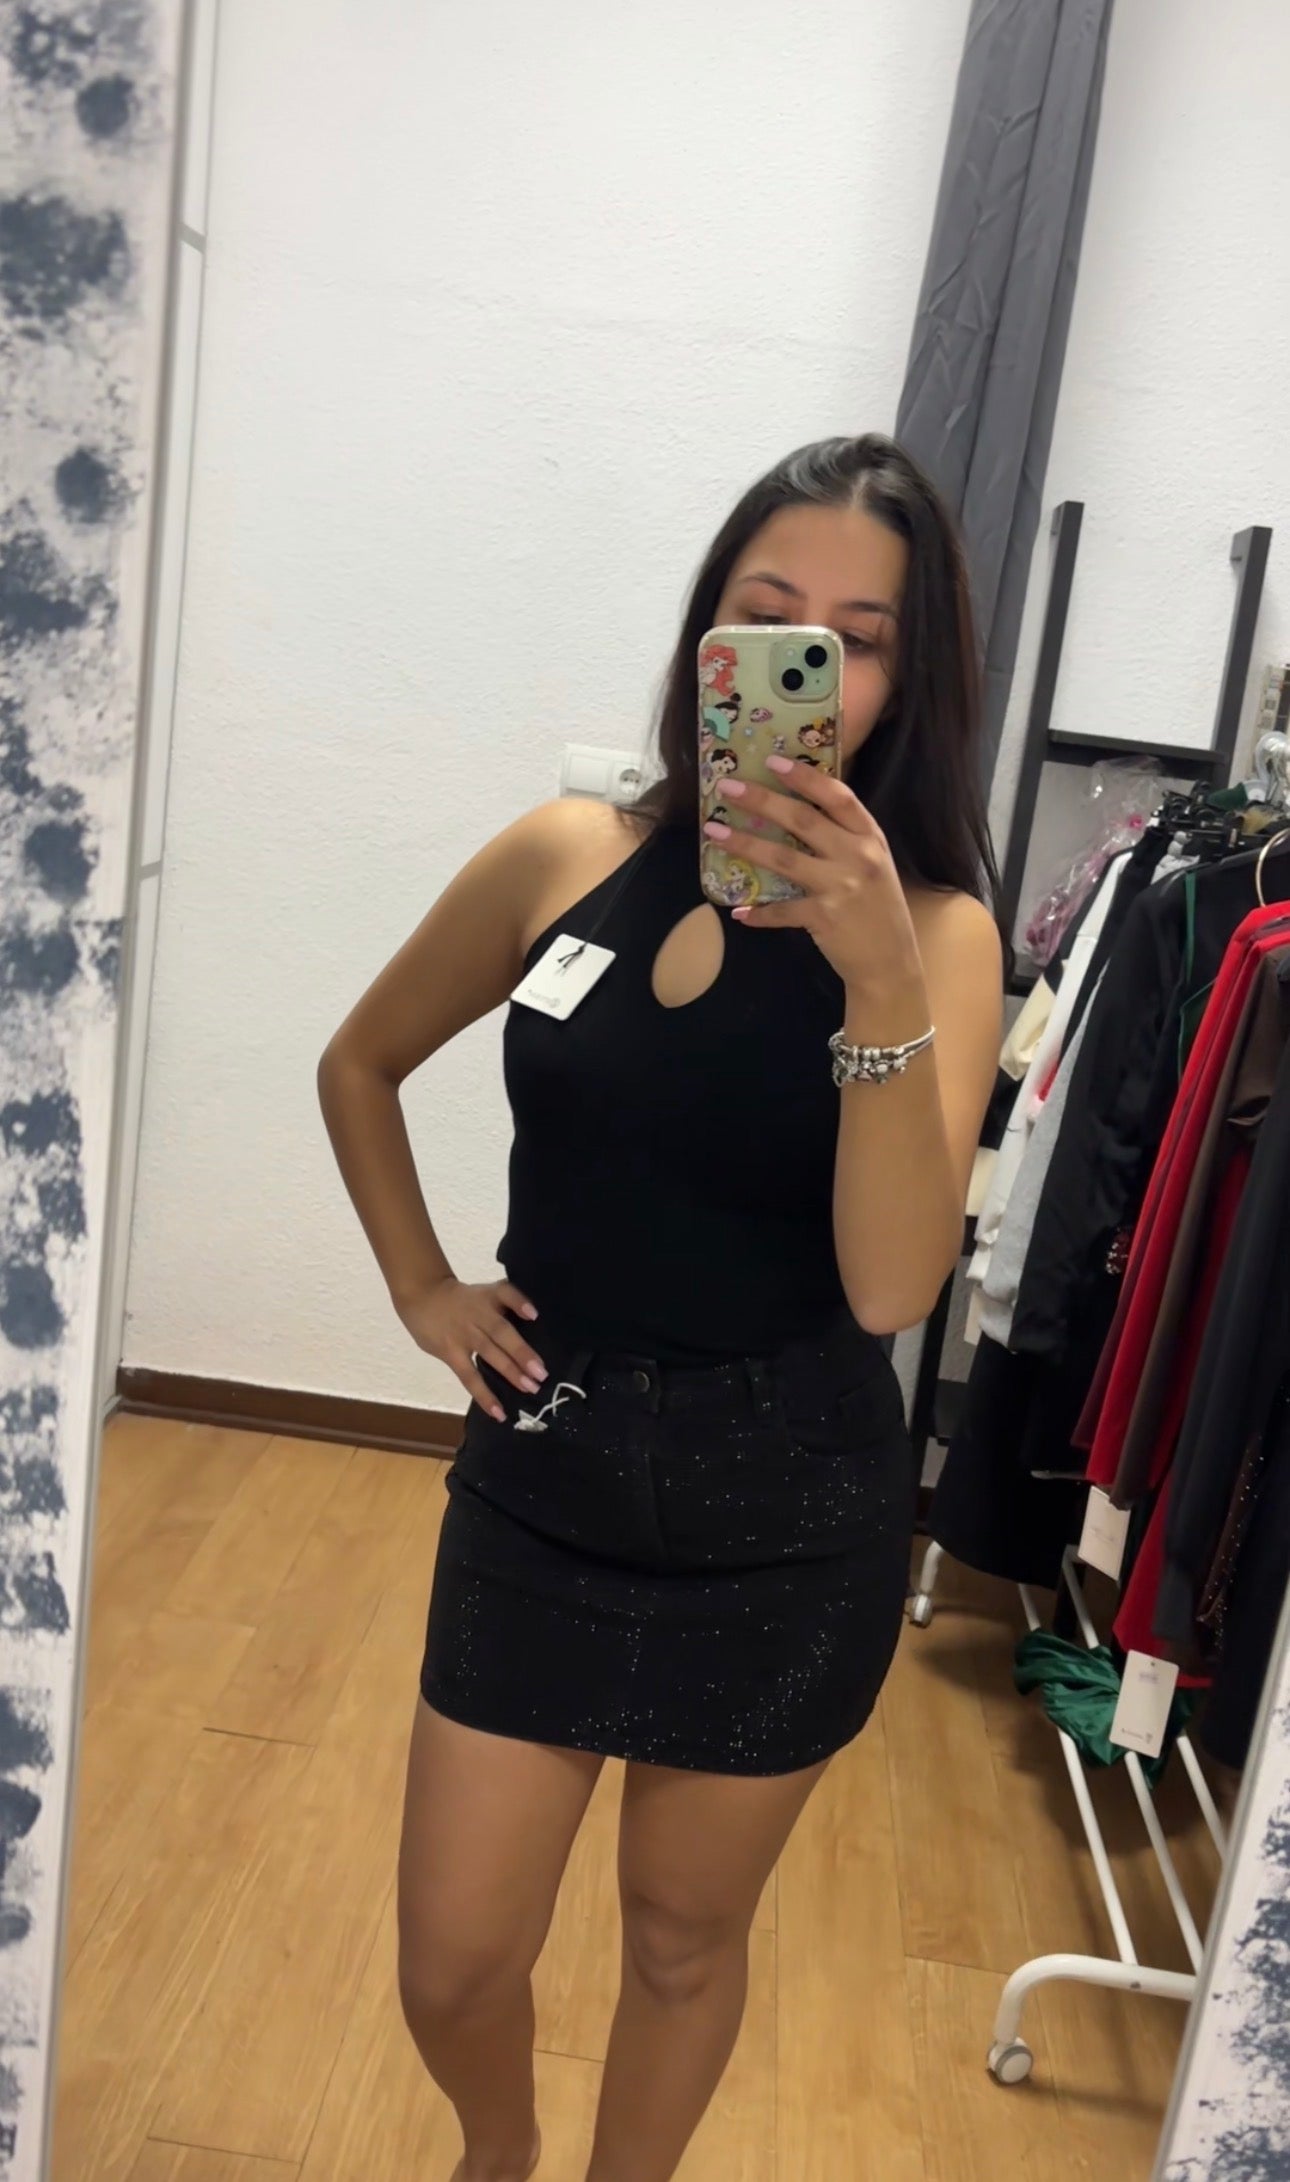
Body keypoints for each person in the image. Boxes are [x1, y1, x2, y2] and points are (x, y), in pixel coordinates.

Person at [317, 433, 1004, 2182]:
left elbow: (889, 1283)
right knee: (454, 1956)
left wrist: (874, 979)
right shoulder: (567, 851)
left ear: (901, 682)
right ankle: (497, 2153)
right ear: (709, 633)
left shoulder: (938, 936)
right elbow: (360, 1059)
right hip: (541, 1472)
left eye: (852, 639)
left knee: (685, 1940)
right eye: (764, 615)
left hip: (787, 1513)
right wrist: (421, 1285)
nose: (800, 663)